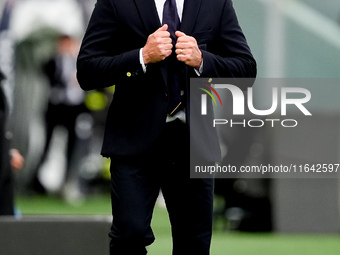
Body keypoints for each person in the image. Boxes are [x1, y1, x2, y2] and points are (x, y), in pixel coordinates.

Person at [77, 0, 256, 254]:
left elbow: (246, 70)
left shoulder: (216, 3)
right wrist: (142, 56)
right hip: (134, 142)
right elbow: (86, 71)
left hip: (193, 143)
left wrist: (202, 60)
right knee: (129, 235)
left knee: (194, 244)